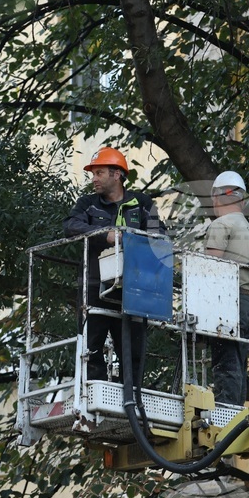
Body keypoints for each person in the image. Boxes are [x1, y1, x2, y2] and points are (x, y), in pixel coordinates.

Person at [64, 147, 165, 382]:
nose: (94, 179)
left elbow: (159, 235)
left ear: (116, 174)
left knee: (134, 351)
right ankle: (93, 392)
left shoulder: (142, 203)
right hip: (94, 285)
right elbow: (70, 226)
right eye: (93, 174)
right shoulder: (87, 203)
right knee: (90, 347)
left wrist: (133, 239)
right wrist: (105, 234)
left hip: (132, 288)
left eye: (99, 173)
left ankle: (131, 393)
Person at [204, 170, 249, 405]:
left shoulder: (221, 224)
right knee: (238, 363)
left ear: (216, 198)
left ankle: (226, 412)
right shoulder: (248, 229)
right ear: (242, 200)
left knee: (226, 363)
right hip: (247, 303)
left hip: (227, 301)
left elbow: (210, 267)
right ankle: (235, 411)